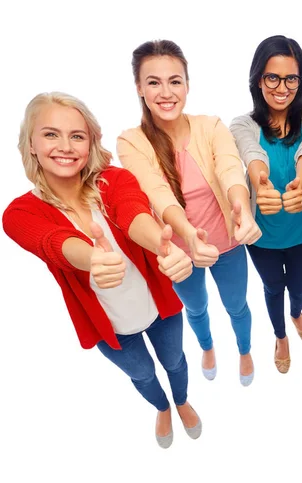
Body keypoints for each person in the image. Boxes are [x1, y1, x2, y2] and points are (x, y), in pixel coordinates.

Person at [2, 92, 201, 449]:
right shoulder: (19, 213)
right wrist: (92, 258)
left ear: (91, 141)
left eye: (77, 135)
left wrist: (161, 244)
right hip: (108, 325)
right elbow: (52, 241)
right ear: (30, 143)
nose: (65, 146)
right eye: (51, 134)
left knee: (174, 361)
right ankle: (162, 407)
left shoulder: (114, 180)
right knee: (141, 374)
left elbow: (132, 212)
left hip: (158, 308)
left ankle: (182, 400)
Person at [117, 40, 261, 386]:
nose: (166, 92)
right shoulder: (131, 141)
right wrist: (188, 235)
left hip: (227, 243)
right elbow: (156, 190)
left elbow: (229, 167)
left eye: (175, 81)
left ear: (187, 85)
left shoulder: (210, 126)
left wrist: (242, 208)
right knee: (196, 309)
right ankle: (207, 346)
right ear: (139, 87)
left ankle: (244, 349)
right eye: (154, 82)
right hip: (179, 253)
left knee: (237, 305)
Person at [230, 35, 302, 373]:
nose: (282, 87)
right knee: (273, 287)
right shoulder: (242, 123)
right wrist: (261, 181)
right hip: (263, 237)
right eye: (272, 77)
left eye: (291, 78)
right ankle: (280, 335)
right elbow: (251, 152)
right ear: (258, 79)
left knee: (299, 287)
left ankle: (297, 313)